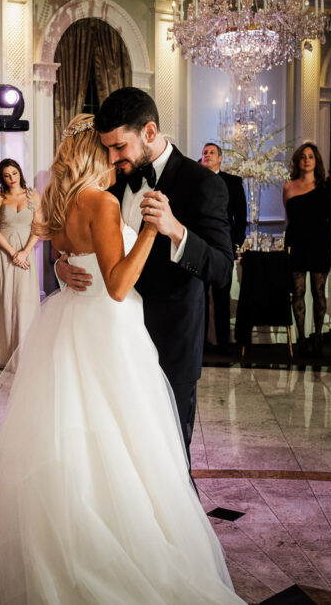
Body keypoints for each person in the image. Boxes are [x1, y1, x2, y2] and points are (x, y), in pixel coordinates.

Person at [0, 114, 242, 604]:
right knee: (128, 440)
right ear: (95, 153)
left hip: (73, 325)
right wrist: (146, 229)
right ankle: (129, 552)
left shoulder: (63, 199)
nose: (117, 158)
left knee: (78, 440)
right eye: (109, 151)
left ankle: (71, 543)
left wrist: (62, 262)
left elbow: (71, 255)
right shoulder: (98, 199)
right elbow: (117, 285)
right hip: (110, 327)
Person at [57, 88, 234, 454]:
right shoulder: (113, 179)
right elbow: (81, 241)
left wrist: (176, 230)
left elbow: (222, 269)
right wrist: (62, 266)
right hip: (113, 340)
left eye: (119, 147)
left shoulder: (202, 183)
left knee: (169, 461)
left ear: (149, 132)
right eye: (106, 148)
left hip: (170, 341)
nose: (111, 157)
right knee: (117, 456)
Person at [283, 143, 331, 357]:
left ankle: (318, 336)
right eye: (303, 157)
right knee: (298, 291)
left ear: (316, 161)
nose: (307, 160)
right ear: (298, 161)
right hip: (297, 243)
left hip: (320, 245)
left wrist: (329, 239)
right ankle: (301, 339)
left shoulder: (328, 188)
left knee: (319, 291)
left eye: (310, 156)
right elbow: (289, 218)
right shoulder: (288, 186)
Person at [0, 159, 42, 369]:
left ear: (20, 172)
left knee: (24, 301)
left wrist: (25, 252)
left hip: (25, 256)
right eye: (7, 175)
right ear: (2, 178)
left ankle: (24, 356)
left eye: (14, 173)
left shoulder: (33, 195)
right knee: (3, 301)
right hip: (3, 253)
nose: (12, 178)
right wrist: (12, 253)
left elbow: (39, 226)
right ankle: (1, 356)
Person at [200, 141, 245, 350]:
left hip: (224, 245)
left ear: (220, 158)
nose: (207, 155)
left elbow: (241, 218)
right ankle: (201, 341)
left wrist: (235, 243)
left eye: (211, 152)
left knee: (221, 294)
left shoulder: (234, 182)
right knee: (199, 295)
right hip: (199, 244)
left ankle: (223, 341)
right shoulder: (195, 180)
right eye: (204, 152)